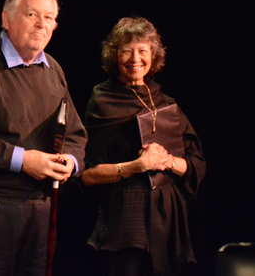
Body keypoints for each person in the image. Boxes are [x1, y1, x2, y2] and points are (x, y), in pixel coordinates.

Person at [0, 0, 87, 276]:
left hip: (40, 210)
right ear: (6, 19)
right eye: (32, 15)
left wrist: (70, 161)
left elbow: (75, 134)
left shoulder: (53, 70)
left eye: (50, 18)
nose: (42, 25)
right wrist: (23, 160)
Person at [82, 17, 206, 276]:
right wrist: (137, 166)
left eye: (142, 50)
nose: (134, 58)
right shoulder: (103, 101)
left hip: (169, 217)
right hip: (126, 215)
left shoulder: (166, 103)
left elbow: (197, 164)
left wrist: (167, 162)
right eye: (126, 51)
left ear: (153, 55)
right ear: (115, 56)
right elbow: (87, 174)